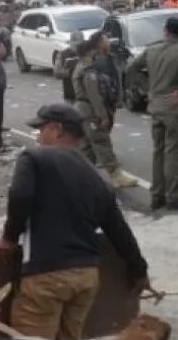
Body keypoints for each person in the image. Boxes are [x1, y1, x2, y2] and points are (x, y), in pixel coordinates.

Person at [0, 104, 150, 340]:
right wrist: (139, 270)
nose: (38, 136)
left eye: (41, 129)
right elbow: (119, 231)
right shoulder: (98, 176)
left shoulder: (34, 157)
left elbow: (20, 196)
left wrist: (9, 237)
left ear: (57, 129)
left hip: (46, 275)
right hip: (86, 277)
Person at [126, 17, 178, 210]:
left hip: (155, 104)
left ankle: (157, 195)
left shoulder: (151, 50)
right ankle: (173, 196)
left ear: (166, 31)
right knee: (173, 152)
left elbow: (130, 68)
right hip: (173, 108)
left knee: (158, 151)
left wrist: (147, 87)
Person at [71, 33, 134, 188]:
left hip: (82, 110)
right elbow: (94, 96)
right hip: (90, 110)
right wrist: (102, 116)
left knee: (87, 146)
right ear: (89, 53)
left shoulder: (80, 67)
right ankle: (116, 175)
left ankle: (84, 177)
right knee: (101, 141)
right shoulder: (88, 71)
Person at [58, 32, 85, 103]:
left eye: (79, 44)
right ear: (70, 43)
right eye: (74, 44)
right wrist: (69, 72)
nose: (76, 46)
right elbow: (57, 72)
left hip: (84, 95)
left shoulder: (86, 53)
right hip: (69, 93)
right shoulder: (63, 54)